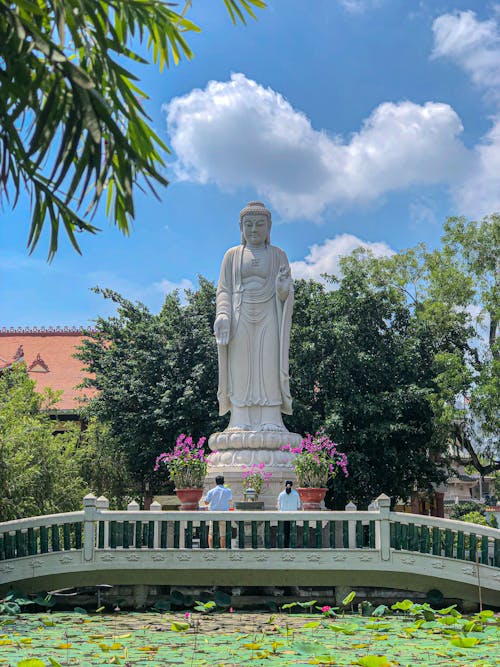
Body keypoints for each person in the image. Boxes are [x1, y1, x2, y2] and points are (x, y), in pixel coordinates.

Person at [214, 201, 294, 432]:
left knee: (268, 363)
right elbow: (224, 290)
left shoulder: (279, 255)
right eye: (248, 224)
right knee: (241, 366)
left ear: (269, 227)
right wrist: (222, 315)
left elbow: (285, 292)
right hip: (240, 314)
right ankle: (240, 419)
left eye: (260, 224)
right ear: (241, 227)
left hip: (269, 314)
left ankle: (271, 419)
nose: (254, 229)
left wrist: (282, 289)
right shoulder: (232, 255)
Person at [204, 476, 233, 548]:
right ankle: (222, 550)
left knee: (211, 533)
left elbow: (206, 502)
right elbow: (230, 500)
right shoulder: (228, 491)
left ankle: (211, 549)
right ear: (223, 482)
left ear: (215, 482)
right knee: (222, 535)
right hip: (224, 514)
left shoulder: (211, 491)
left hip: (213, 514)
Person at [277, 480, 301, 547]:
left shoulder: (281, 495)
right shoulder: (296, 494)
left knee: (285, 532)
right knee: (292, 532)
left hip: (284, 516)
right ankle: (292, 546)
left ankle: (285, 546)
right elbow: (298, 506)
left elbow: (278, 506)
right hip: (293, 516)